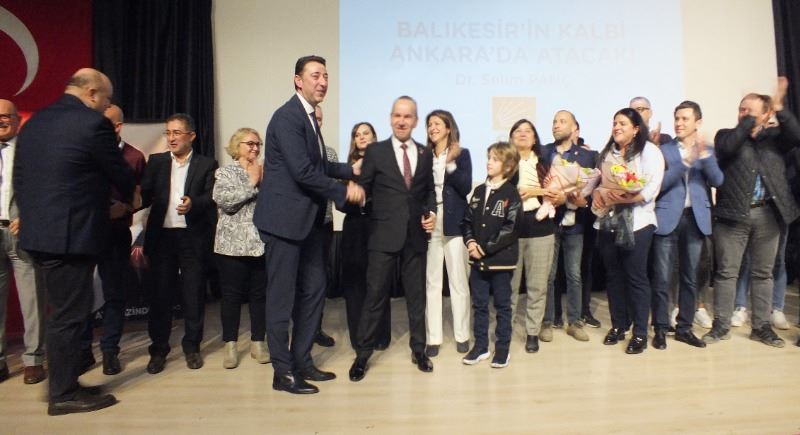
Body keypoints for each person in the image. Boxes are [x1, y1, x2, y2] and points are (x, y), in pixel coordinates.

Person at [15, 68, 134, 415]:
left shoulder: (35, 122)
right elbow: (118, 171)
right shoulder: (92, 123)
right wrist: (128, 196)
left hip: (40, 233)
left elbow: (21, 177)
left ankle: (66, 383)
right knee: (68, 316)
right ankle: (63, 394)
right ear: (92, 93)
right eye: (107, 100)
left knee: (64, 313)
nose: (107, 106)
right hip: (71, 234)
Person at [253, 55, 363, 395]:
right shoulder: (287, 116)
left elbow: (319, 164)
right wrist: (344, 191)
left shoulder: (310, 118)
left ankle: (302, 361)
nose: (323, 81)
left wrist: (351, 169)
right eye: (315, 75)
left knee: (315, 289)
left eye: (326, 76)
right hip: (284, 223)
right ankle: (282, 372)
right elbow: (302, 171)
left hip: (308, 223)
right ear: (298, 80)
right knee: (281, 299)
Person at [704, 78, 800, 347]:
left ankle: (761, 327)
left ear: (767, 115)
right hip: (733, 214)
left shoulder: (776, 139)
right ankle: (721, 326)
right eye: (741, 109)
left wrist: (779, 108)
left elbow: (796, 136)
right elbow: (727, 147)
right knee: (727, 272)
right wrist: (749, 120)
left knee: (763, 273)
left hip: (768, 214)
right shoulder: (726, 135)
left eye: (749, 110)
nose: (743, 114)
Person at [348, 95, 436, 382]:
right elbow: (364, 186)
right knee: (374, 297)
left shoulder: (425, 153)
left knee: (417, 298)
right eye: (397, 115)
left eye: (407, 116)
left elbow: (428, 191)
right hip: (383, 236)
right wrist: (358, 194)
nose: (401, 121)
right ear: (390, 119)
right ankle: (363, 355)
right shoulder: (376, 151)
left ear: (415, 121)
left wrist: (432, 212)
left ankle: (419, 350)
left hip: (415, 237)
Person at [140, 113, 218, 373]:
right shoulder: (157, 162)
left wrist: (194, 203)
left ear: (191, 136)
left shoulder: (206, 164)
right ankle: (158, 350)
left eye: (176, 133)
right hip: (162, 237)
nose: (171, 138)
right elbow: (145, 194)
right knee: (160, 295)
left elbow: (211, 196)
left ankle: (192, 347)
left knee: (193, 294)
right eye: (168, 133)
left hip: (192, 237)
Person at [77, 104, 146, 376]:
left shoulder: (134, 156)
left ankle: (109, 351)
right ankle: (83, 351)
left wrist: (126, 208)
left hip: (116, 233)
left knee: (115, 293)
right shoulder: (85, 151)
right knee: (81, 293)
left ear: (118, 126)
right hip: (85, 232)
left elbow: (140, 197)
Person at [650, 101, 723, 349]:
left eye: (685, 119)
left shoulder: (707, 150)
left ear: (697, 123)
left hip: (695, 218)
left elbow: (717, 180)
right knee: (661, 278)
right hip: (667, 217)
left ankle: (684, 328)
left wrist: (703, 156)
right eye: (677, 118)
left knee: (690, 277)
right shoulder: (663, 150)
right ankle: (660, 328)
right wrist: (686, 162)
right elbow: (660, 184)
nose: (679, 123)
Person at [592, 107, 664, 354]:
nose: (617, 127)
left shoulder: (649, 151)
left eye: (622, 123)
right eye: (614, 123)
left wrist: (626, 197)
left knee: (636, 278)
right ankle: (618, 325)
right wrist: (597, 193)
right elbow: (598, 182)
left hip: (638, 223)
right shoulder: (607, 153)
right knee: (613, 277)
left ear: (636, 129)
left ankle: (640, 333)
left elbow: (650, 189)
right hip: (608, 222)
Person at [461, 141, 521, 368]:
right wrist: (470, 242)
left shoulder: (511, 193)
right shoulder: (478, 191)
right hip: (477, 262)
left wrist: (484, 248)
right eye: (489, 158)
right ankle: (481, 346)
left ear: (508, 166)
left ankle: (502, 349)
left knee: (503, 306)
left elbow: (511, 228)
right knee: (479, 305)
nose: (489, 162)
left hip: (500, 262)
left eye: (495, 159)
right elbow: (467, 221)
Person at [213, 128, 269, 369]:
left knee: (259, 296)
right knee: (231, 297)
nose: (255, 148)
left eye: (258, 144)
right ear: (237, 146)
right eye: (250, 143)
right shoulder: (225, 172)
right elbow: (226, 202)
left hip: (260, 244)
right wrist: (252, 182)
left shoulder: (267, 172)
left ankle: (258, 342)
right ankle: (231, 345)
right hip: (231, 247)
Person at [0, 99, 46, 385]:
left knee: (32, 299)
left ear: (18, 120)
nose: (1, 120)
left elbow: (45, 189)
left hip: (21, 232)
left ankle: (33, 360)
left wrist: (29, 215)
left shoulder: (30, 151)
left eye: (6, 116)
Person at [508, 119, 562, 353]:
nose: (522, 134)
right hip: (510, 228)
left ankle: (532, 332)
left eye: (527, 130)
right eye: (518, 131)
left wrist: (551, 194)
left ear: (534, 138)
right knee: (509, 286)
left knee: (538, 286)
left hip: (540, 227)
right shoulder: (504, 163)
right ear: (511, 137)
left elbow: (558, 193)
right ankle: (505, 330)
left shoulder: (545, 164)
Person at [542, 110, 597, 343]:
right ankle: (547, 322)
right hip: (549, 221)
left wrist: (582, 200)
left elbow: (593, 188)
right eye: (554, 121)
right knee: (548, 274)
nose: (556, 125)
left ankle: (575, 322)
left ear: (574, 128)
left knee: (574, 274)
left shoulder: (587, 156)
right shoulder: (543, 152)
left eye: (562, 121)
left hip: (575, 224)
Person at [424, 109, 472, 356]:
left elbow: (465, 187)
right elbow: (424, 190)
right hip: (432, 219)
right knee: (432, 280)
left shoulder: (462, 154)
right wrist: (428, 212)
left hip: (455, 220)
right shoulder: (424, 156)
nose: (432, 128)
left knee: (458, 280)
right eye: (429, 124)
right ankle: (433, 338)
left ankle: (462, 335)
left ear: (448, 128)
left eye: (437, 124)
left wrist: (450, 163)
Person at [341, 122, 392, 350]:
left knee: (379, 283)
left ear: (374, 137)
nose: (361, 137)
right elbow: (340, 203)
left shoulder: (384, 165)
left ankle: (380, 335)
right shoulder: (346, 168)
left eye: (365, 133)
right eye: (357, 134)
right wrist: (351, 186)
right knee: (355, 287)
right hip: (354, 230)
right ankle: (359, 338)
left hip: (377, 228)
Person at [312, 104, 337, 348]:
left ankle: (315, 328)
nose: (315, 122)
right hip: (296, 225)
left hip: (324, 223)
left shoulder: (329, 153)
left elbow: (334, 186)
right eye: (312, 117)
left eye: (319, 118)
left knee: (319, 278)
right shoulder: (291, 147)